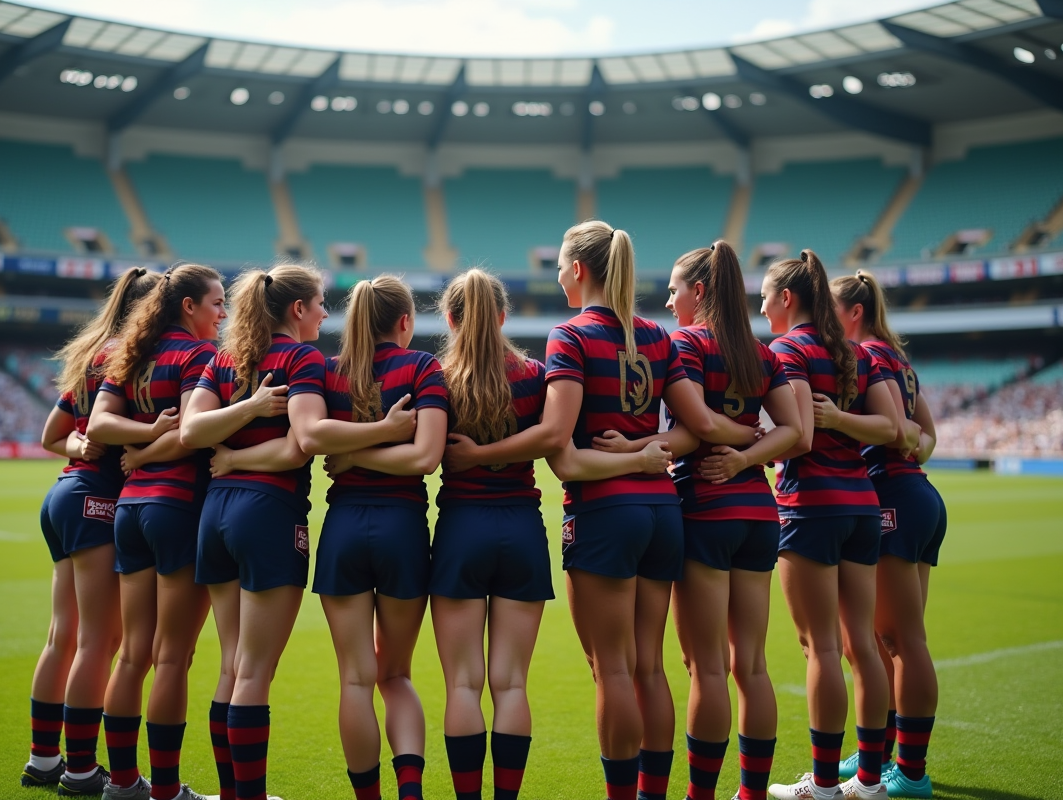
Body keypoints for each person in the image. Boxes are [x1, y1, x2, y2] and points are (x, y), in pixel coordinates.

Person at [444, 221, 760, 800]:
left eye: (562, 266)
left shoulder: (572, 336)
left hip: (604, 516)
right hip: (663, 514)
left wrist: (626, 462)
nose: (560, 276)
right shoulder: (659, 337)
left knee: (612, 670)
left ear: (580, 270)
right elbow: (694, 431)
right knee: (650, 668)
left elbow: (560, 448)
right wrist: (646, 453)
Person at [759, 251, 907, 800]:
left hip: (810, 506)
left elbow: (795, 433)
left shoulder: (788, 349)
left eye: (766, 296)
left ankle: (822, 785)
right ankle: (868, 780)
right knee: (862, 646)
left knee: (819, 648)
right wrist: (843, 421)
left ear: (787, 299)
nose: (763, 306)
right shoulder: (853, 352)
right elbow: (894, 427)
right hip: (862, 506)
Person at [179, 265, 329, 800]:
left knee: (231, 665)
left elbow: (192, 430)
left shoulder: (225, 358)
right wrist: (255, 416)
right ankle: (251, 796)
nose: (324, 313)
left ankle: (230, 793)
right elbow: (299, 447)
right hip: (269, 514)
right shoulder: (302, 358)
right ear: (296, 310)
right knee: (254, 674)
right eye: (319, 303)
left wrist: (232, 456)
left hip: (215, 516)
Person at [661, 242, 802, 800]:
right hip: (759, 516)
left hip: (705, 511)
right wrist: (752, 453)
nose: (670, 301)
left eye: (674, 290)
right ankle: (752, 793)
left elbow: (696, 422)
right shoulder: (761, 353)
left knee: (708, 669)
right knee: (754, 667)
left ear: (699, 291)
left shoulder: (688, 343)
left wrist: (736, 448)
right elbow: (796, 433)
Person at [300, 275, 446, 800]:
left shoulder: (329, 371)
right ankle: (410, 791)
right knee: (396, 675)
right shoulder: (423, 367)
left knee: (356, 680)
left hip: (343, 530)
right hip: (403, 527)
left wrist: (353, 456)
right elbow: (426, 458)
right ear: (405, 322)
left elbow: (311, 439)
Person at [87, 263, 227, 800]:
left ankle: (121, 784)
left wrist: (139, 446)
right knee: (173, 657)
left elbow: (99, 424)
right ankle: (166, 791)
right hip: (176, 509)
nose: (222, 313)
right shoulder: (198, 356)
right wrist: (154, 439)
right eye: (216, 302)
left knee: (132, 654)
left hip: (131, 509)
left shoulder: (134, 353)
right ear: (188, 305)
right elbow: (192, 436)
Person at [21, 267, 159, 796]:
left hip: (63, 496)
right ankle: (80, 769)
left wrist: (80, 446)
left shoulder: (94, 351)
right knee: (100, 641)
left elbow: (52, 435)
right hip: (96, 502)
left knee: (65, 636)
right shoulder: (131, 357)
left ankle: (45, 759)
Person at [831, 270, 945, 799]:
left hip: (894, 500)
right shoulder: (899, 359)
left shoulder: (868, 356)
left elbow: (901, 431)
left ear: (853, 312)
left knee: (899, 641)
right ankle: (884, 753)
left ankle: (912, 772)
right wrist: (910, 447)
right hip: (916, 494)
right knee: (887, 639)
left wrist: (833, 417)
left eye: (828, 308)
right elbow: (926, 438)